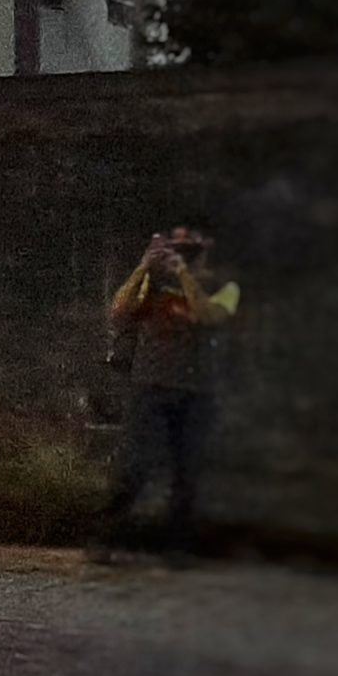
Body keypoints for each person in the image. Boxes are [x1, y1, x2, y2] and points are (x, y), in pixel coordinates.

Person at [102, 225, 239, 558]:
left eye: (190, 246)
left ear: (206, 247)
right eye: (178, 246)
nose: (184, 252)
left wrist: (184, 275)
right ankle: (105, 539)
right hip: (150, 384)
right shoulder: (153, 281)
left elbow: (209, 316)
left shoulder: (225, 286)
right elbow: (118, 311)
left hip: (196, 391)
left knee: (187, 472)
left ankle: (177, 547)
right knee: (134, 467)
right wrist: (143, 266)